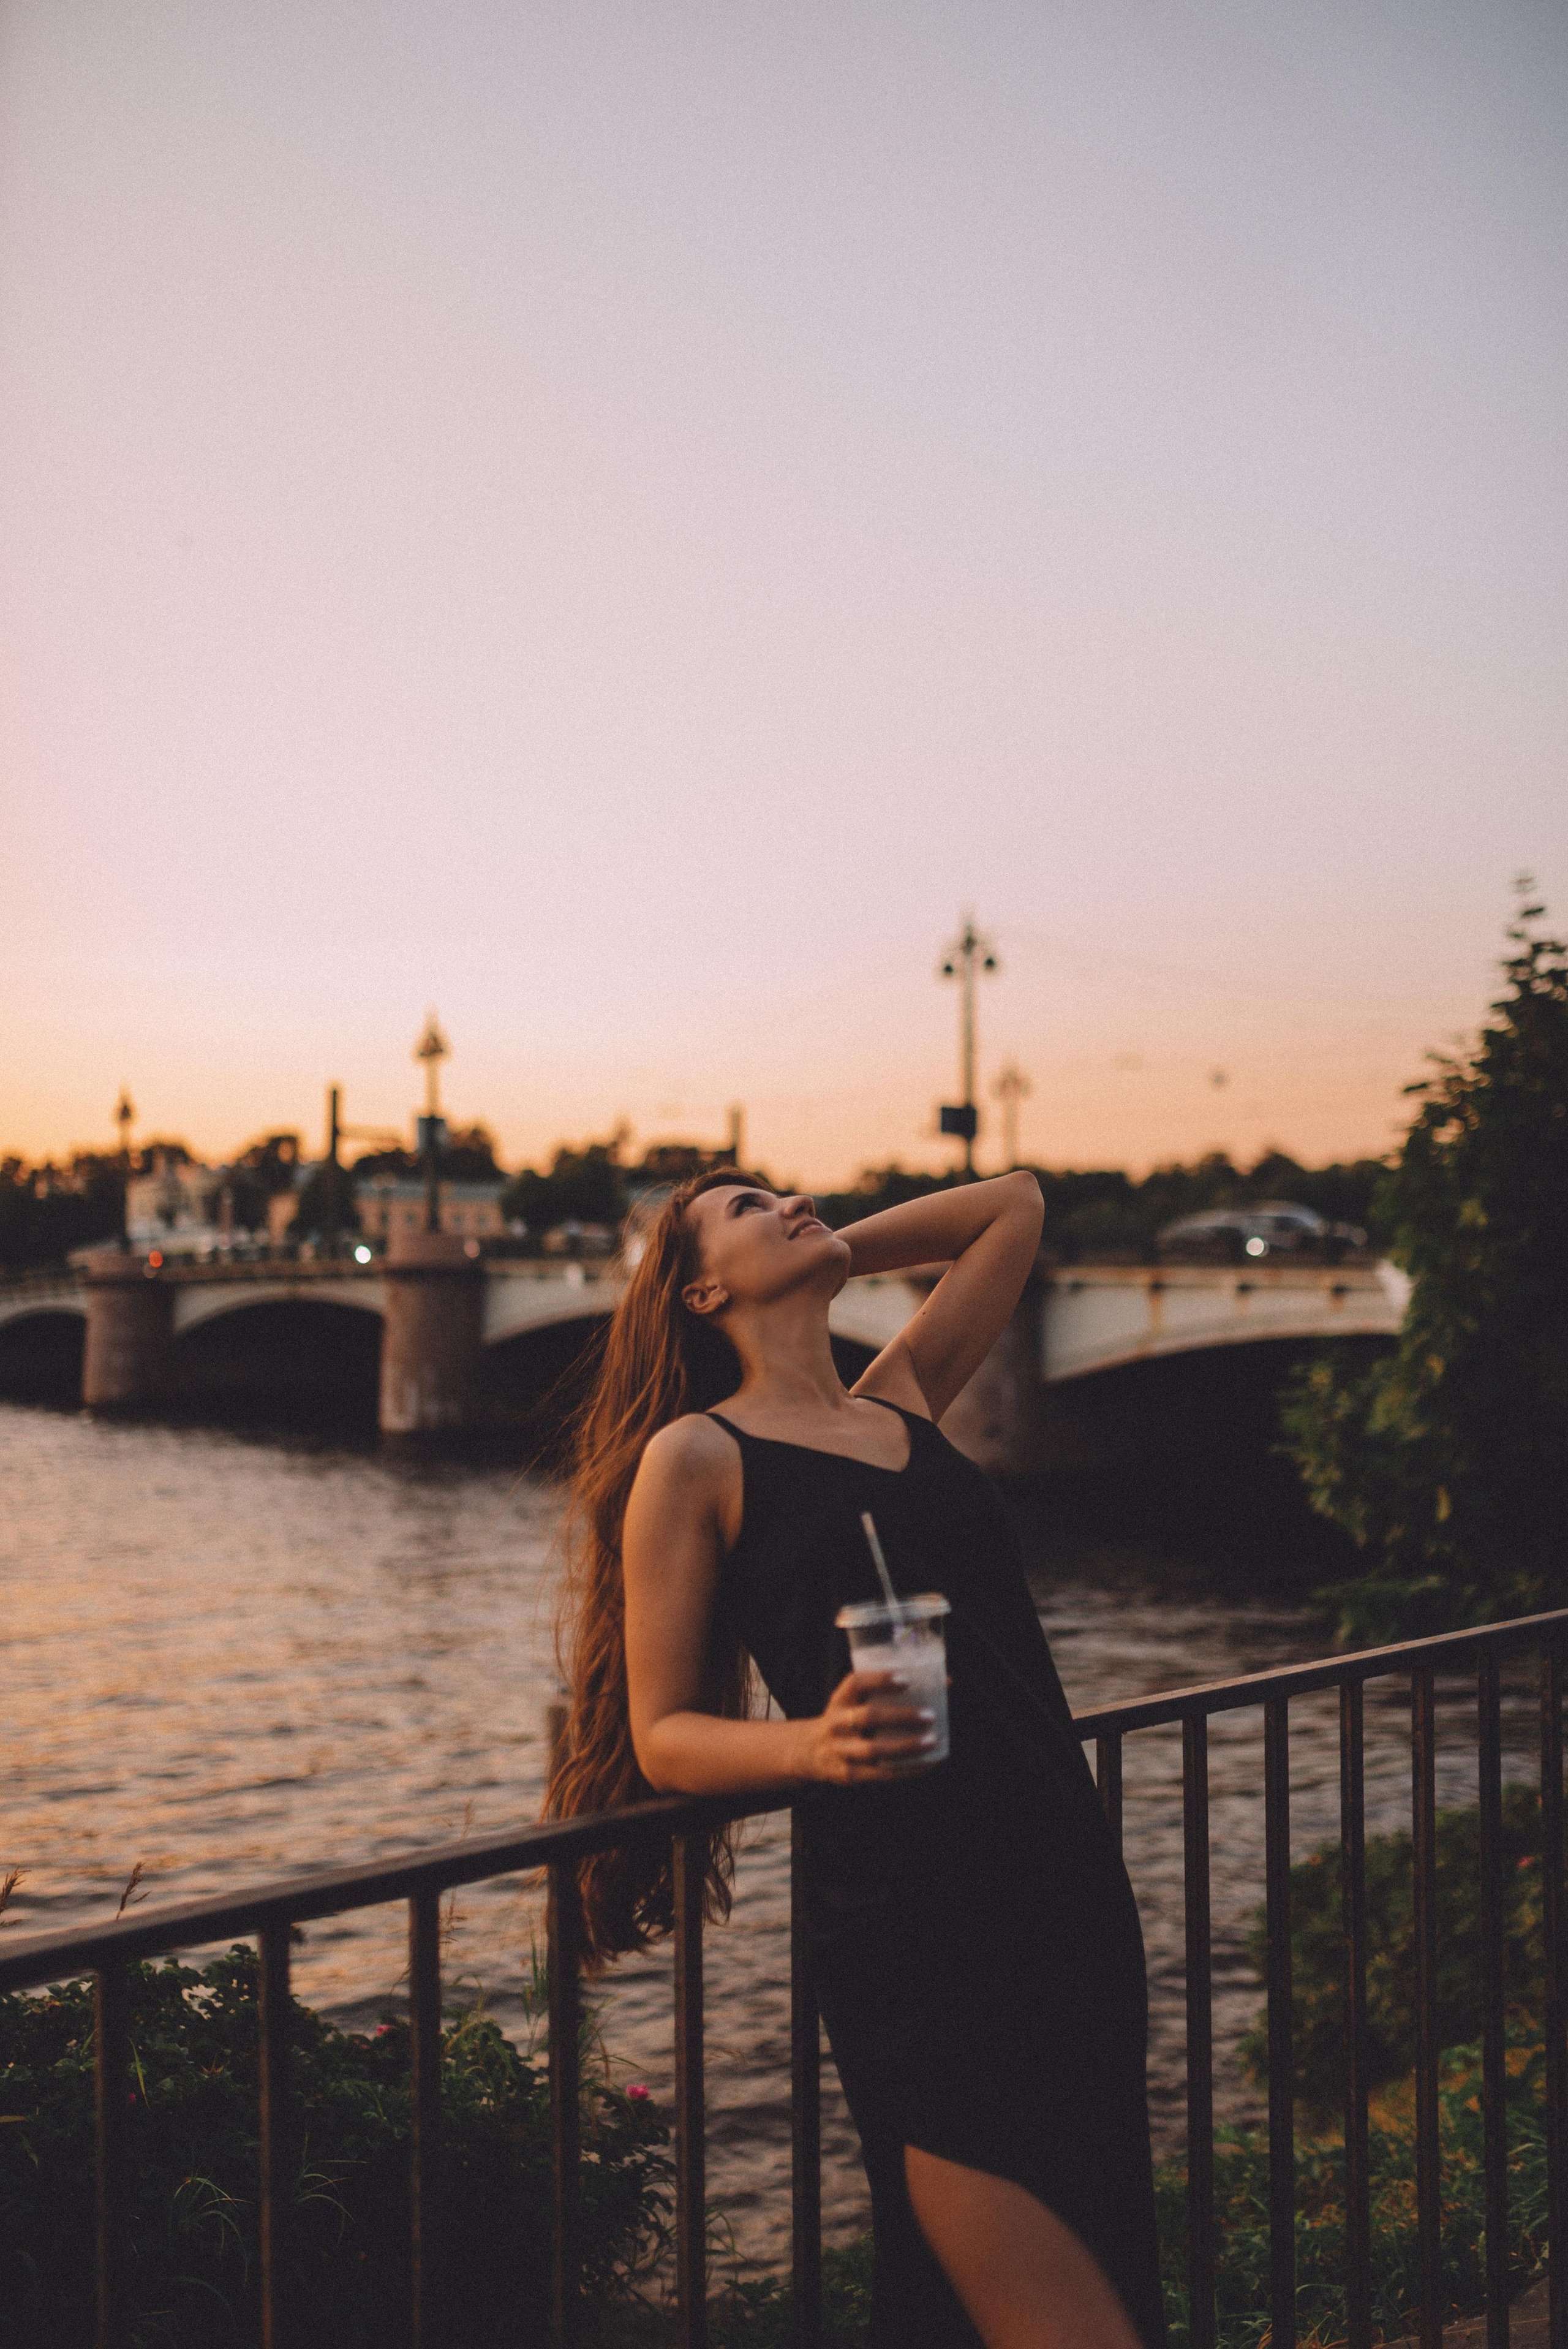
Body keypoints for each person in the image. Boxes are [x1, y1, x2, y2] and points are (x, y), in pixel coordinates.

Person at [548, 1168, 1167, 2349]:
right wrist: (814, 1743)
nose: (787, 1198)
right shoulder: (696, 1458)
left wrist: (823, 1244)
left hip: (1065, 1897)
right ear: (699, 1288)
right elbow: (663, 1732)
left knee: (1083, 2281)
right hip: (914, 1932)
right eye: (744, 1205)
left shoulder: (904, 1404)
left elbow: (1015, 1207)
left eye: (788, 1188)